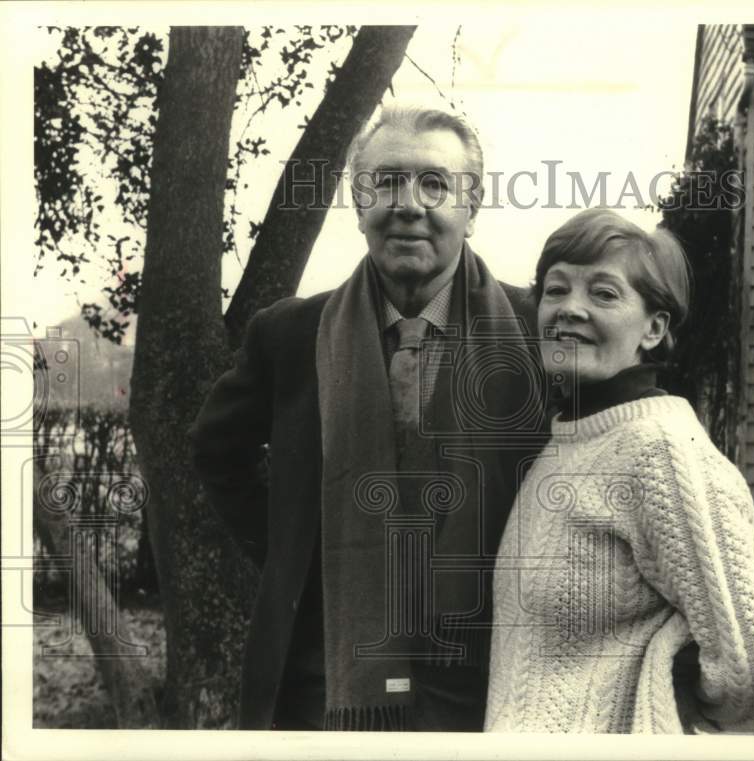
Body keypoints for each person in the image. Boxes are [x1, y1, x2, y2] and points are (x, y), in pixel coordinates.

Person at [191, 104, 544, 731]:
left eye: (435, 183)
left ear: (473, 205)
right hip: (324, 680)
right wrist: (290, 550)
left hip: (492, 681)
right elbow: (219, 453)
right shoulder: (291, 335)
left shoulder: (536, 332)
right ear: (358, 203)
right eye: (385, 181)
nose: (409, 203)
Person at [484, 209, 754, 733]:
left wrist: (659, 690)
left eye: (604, 293)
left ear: (654, 328)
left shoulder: (659, 450)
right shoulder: (569, 438)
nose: (570, 308)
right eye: (556, 289)